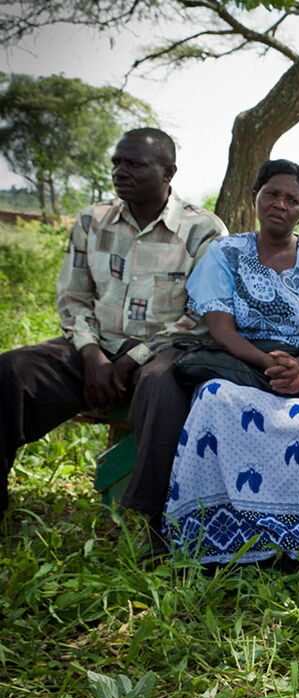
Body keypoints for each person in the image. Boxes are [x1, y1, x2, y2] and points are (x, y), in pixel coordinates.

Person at [0, 128, 226, 536]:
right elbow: (73, 297)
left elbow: (202, 317)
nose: (120, 172)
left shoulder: (203, 230)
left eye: (134, 164)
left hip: (161, 352)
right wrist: (91, 354)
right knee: (12, 372)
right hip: (94, 349)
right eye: (116, 163)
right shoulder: (93, 220)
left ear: (168, 172)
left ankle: (145, 520)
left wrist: (131, 360)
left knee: (162, 386)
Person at [163, 159, 299, 567]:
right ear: (255, 197)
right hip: (238, 359)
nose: (280, 204)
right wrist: (268, 364)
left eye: (293, 199)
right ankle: (219, 537)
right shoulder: (226, 252)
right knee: (216, 402)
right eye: (271, 194)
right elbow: (221, 328)